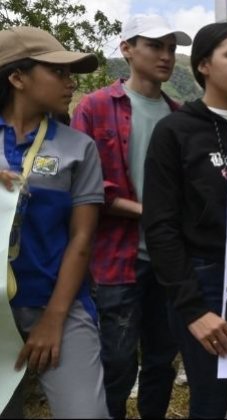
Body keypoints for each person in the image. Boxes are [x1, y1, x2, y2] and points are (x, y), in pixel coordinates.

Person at [141, 22, 227, 418]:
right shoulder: (174, 131)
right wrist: (193, 309)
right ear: (203, 66)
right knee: (210, 399)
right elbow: (160, 225)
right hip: (206, 280)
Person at [71, 14, 191, 418]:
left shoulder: (178, 114)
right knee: (118, 360)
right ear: (127, 49)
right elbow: (86, 186)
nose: (166, 55)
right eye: (155, 45)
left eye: (171, 48)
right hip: (117, 257)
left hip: (168, 257)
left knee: (161, 358)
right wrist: (153, 213)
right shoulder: (95, 107)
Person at [0, 26, 108, 418]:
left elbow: (81, 238)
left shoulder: (79, 147)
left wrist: (54, 318)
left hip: (58, 306)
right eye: (57, 72)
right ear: (17, 77)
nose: (70, 82)